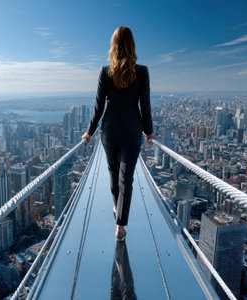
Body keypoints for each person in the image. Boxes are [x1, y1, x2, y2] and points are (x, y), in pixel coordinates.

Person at [82, 26, 154, 241]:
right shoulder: (142, 71)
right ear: (132, 45)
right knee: (127, 179)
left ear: (113, 45)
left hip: (110, 130)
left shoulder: (105, 72)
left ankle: (117, 208)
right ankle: (120, 226)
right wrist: (149, 131)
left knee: (113, 174)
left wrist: (89, 132)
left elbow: (98, 107)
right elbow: (145, 105)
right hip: (133, 130)